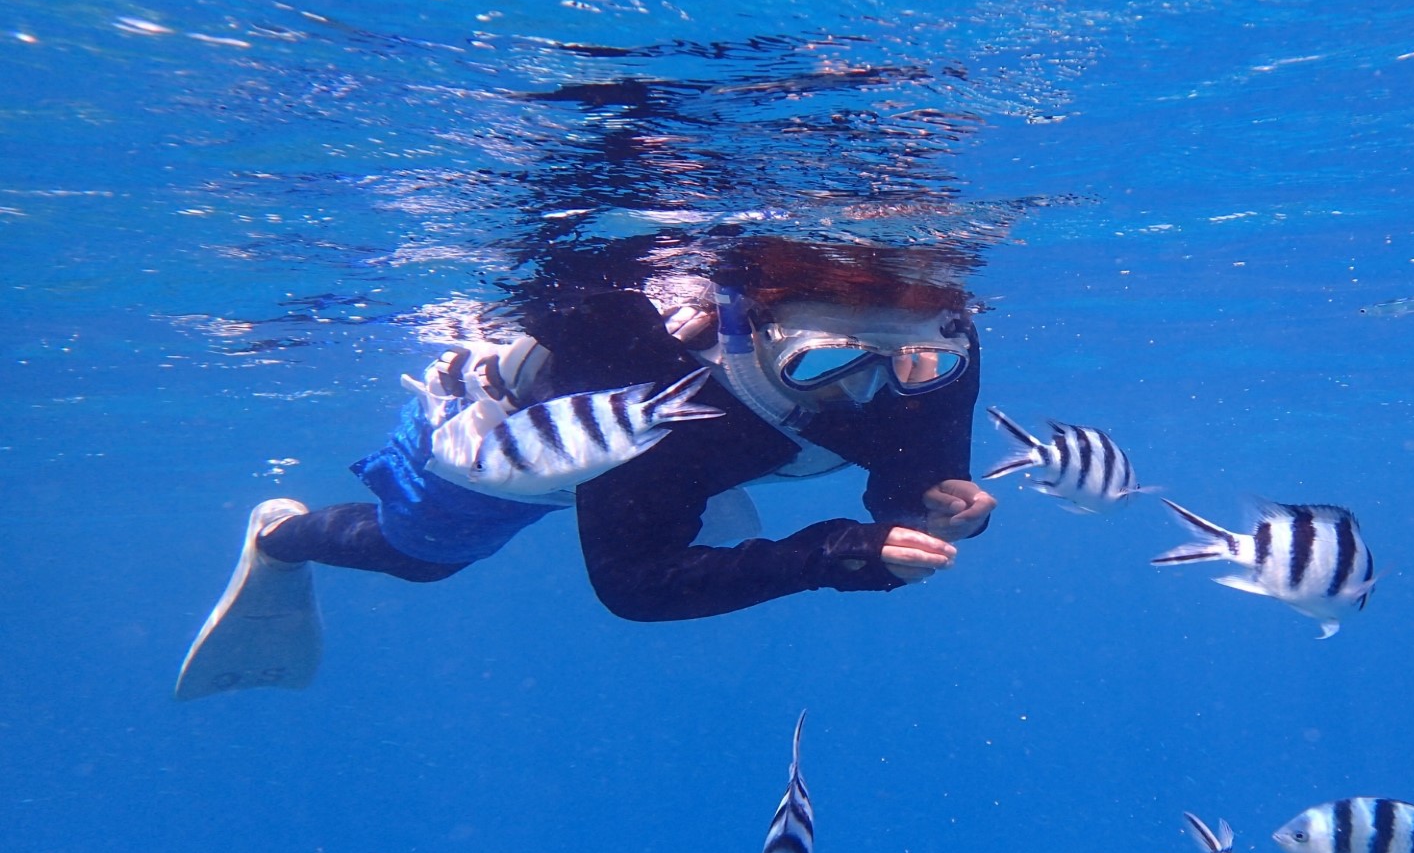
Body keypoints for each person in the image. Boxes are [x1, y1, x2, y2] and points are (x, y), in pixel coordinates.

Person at [175, 234, 998, 700]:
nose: (870, 390)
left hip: (693, 461)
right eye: (821, 365)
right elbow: (633, 583)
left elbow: (905, 471)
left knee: (692, 477)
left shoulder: (922, 346)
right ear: (754, 332)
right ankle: (282, 536)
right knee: (419, 558)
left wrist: (927, 510)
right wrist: (833, 555)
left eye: (920, 364)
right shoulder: (634, 363)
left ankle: (698, 489)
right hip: (534, 435)